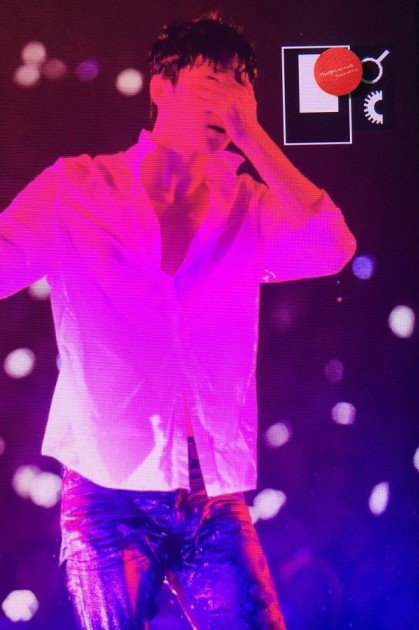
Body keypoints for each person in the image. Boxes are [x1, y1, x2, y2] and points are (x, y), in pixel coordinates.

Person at [0, 12, 357, 629]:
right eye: (214, 80)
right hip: (106, 491)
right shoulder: (77, 189)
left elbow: (332, 247)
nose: (231, 98)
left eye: (243, 85)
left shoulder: (249, 205)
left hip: (212, 493)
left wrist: (255, 139)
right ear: (161, 87)